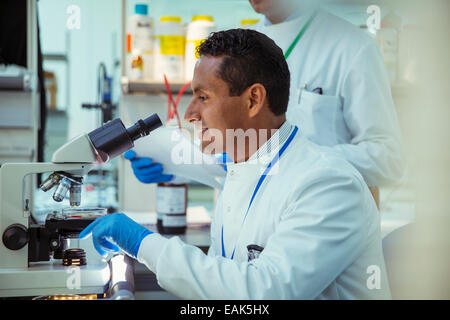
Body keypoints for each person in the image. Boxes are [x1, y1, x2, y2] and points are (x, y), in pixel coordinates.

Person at [80, 29, 391, 299]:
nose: (190, 114)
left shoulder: (327, 184)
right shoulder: (241, 170)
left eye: (203, 98)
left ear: (253, 100)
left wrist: (142, 243)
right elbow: (222, 281)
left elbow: (263, 292)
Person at [247, 0, 405, 205]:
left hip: (327, 218)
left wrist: (301, 157)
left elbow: (388, 160)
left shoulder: (353, 46)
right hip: (257, 220)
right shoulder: (240, 48)